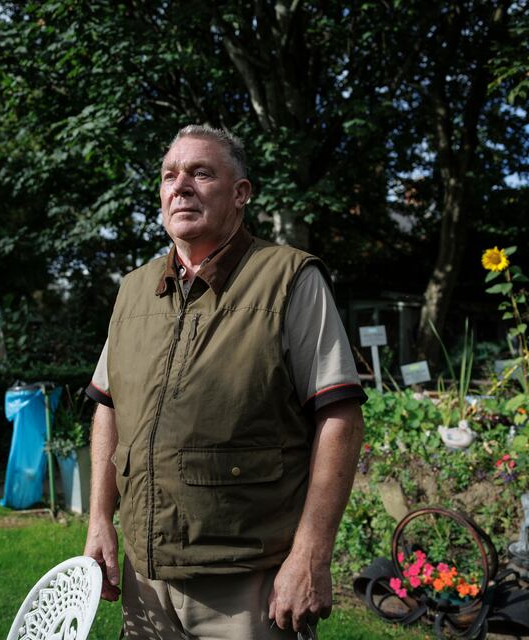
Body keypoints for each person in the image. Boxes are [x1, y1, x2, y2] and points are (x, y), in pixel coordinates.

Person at [83, 124, 367, 639]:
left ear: (240, 193)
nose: (180, 186)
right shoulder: (133, 291)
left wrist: (311, 554)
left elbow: (339, 417)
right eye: (169, 175)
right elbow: (108, 405)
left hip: (248, 586)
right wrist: (100, 518)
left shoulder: (289, 278)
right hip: (144, 579)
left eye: (201, 173)